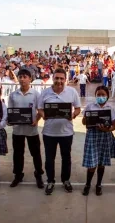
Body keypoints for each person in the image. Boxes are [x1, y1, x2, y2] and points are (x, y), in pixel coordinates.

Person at [38, 67, 81, 195]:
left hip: (66, 133)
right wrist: (44, 115)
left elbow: (78, 109)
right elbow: (40, 108)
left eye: (61, 78)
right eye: (56, 78)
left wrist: (72, 115)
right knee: (49, 159)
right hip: (49, 132)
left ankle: (66, 180)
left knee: (66, 158)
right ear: (53, 78)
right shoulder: (45, 93)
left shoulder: (72, 92)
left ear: (65, 79)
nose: (59, 81)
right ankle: (50, 181)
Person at [8, 69, 44, 188]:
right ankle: (18, 175)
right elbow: (11, 112)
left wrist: (37, 120)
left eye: (25, 77)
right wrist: (11, 120)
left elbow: (40, 110)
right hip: (17, 130)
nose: (22, 79)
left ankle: (38, 174)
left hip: (31, 130)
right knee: (18, 154)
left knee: (36, 154)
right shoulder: (13, 95)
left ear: (30, 79)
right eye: (20, 77)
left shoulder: (36, 94)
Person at [81, 86, 115, 196]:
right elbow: (84, 122)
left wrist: (107, 129)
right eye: (98, 95)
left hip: (105, 136)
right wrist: (87, 119)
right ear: (95, 95)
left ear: (107, 96)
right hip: (92, 136)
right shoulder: (89, 107)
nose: (101, 97)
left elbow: (114, 126)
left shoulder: (110, 109)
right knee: (92, 163)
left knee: (101, 163)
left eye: (103, 95)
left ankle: (98, 185)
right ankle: (88, 184)